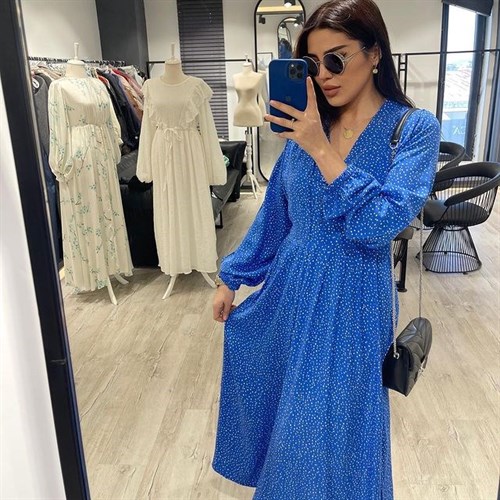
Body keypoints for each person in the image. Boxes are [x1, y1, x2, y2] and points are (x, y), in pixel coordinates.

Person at [211, 0, 441, 498]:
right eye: (312, 64)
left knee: (332, 430)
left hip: (353, 299)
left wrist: (321, 147)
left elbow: (380, 223)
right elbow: (278, 214)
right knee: (288, 419)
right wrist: (234, 275)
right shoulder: (307, 123)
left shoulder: (412, 129)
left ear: (374, 54)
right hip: (290, 290)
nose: (324, 75)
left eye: (336, 59)